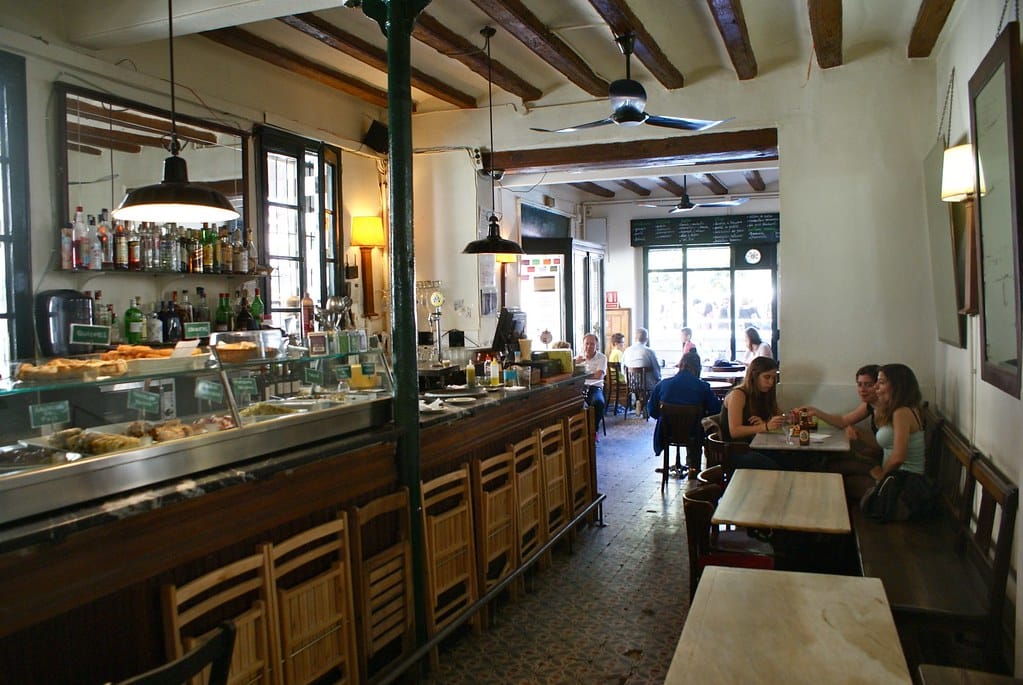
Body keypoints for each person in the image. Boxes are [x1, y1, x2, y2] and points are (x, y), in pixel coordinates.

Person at [797, 364, 884, 498]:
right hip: (878, 457)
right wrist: (816, 412)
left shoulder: (889, 409)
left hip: (886, 464)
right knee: (826, 461)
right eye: (859, 384)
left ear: (879, 385)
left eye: (868, 385)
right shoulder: (870, 405)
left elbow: (886, 447)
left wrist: (859, 434)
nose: (862, 390)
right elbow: (843, 421)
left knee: (828, 470)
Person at [647, 351, 721, 478]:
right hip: (694, 434)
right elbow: (715, 409)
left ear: (680, 366)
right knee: (705, 427)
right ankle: (695, 470)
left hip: (667, 433)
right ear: (697, 368)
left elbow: (652, 411)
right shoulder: (702, 387)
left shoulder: (663, 384)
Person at [862, 364, 926, 481]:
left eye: (881, 382)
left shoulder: (902, 413)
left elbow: (898, 458)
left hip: (904, 482)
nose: (876, 386)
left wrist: (881, 476)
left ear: (897, 386)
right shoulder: (902, 409)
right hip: (895, 477)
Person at [720, 356, 783, 469]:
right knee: (773, 465)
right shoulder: (738, 394)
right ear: (754, 376)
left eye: (774, 378)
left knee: (790, 458)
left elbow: (779, 416)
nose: (771, 382)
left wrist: (790, 417)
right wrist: (765, 426)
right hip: (736, 450)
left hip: (755, 446)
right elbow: (735, 431)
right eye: (767, 377)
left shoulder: (764, 394)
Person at [622, 327, 661, 416]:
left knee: (642, 385)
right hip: (646, 384)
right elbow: (656, 369)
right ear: (646, 339)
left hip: (631, 384)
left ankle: (638, 401)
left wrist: (626, 379)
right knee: (657, 382)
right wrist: (659, 378)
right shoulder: (649, 351)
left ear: (635, 338)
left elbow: (622, 368)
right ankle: (647, 406)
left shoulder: (627, 351)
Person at [574, 333, 606, 419]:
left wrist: (581, 375)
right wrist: (574, 363)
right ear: (583, 345)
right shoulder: (577, 358)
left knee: (599, 402)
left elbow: (598, 375)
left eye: (592, 344)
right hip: (579, 387)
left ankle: (593, 430)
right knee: (571, 405)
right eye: (587, 344)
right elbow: (571, 375)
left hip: (594, 387)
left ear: (597, 346)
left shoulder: (602, 358)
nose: (589, 346)